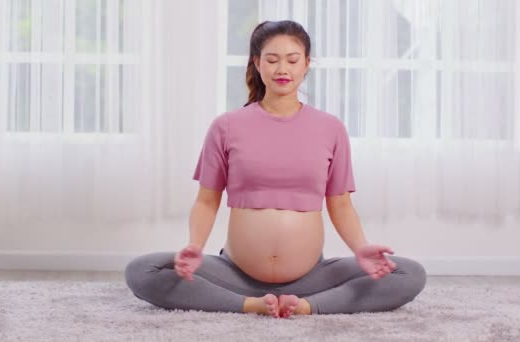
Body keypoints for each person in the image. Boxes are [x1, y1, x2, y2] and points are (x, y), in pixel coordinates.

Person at [125, 20, 426, 318]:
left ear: (306, 64)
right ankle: (248, 304)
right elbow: (206, 200)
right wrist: (195, 246)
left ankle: (307, 306)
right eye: (272, 59)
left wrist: (361, 248)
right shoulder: (226, 126)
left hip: (311, 279)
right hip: (235, 275)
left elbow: (341, 203)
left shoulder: (330, 129)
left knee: (410, 274)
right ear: (257, 63)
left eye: (292, 60)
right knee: (142, 270)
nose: (283, 68)